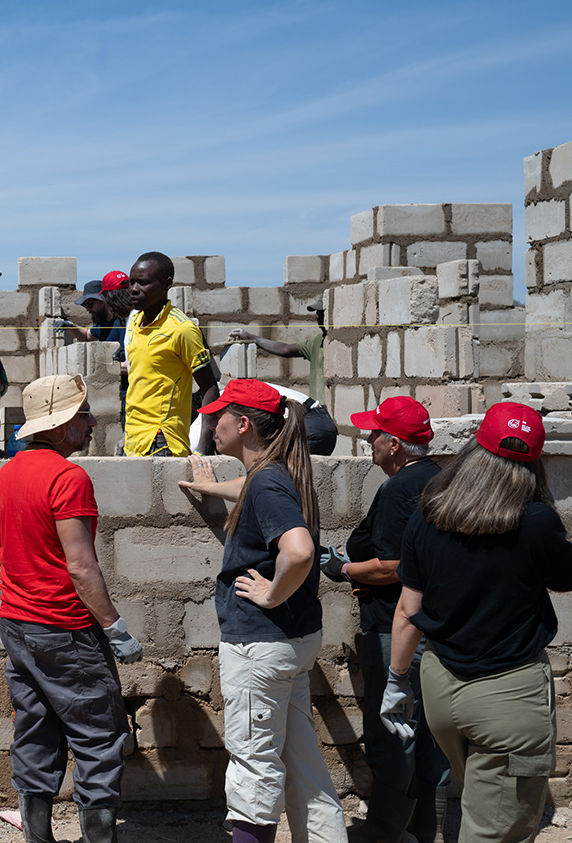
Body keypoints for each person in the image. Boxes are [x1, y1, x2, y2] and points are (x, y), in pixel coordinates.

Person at [385, 402, 572, 843]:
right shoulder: (538, 521)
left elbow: (408, 610)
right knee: (496, 830)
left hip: (441, 689)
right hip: (507, 696)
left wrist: (396, 679)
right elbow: (564, 577)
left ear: (474, 450)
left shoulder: (428, 513)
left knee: (482, 802)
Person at [179, 378, 347, 843]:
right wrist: (211, 487)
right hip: (291, 642)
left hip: (261, 645)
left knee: (254, 771)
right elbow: (253, 489)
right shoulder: (278, 472)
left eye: (219, 416)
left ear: (243, 425)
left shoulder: (269, 480)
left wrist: (272, 594)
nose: (211, 424)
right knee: (305, 769)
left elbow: (299, 550)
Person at [0, 374, 141, 843]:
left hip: (17, 624)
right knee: (98, 734)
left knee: (35, 727)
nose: (91, 423)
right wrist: (114, 627)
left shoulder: (4, 476)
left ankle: (37, 837)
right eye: (82, 415)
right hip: (65, 628)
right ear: (56, 425)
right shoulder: (67, 477)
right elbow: (80, 566)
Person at [321, 397, 447, 843]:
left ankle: (384, 832)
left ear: (394, 444)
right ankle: (426, 830)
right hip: (436, 628)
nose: (368, 439)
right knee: (428, 736)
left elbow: (395, 566)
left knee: (392, 733)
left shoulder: (398, 490)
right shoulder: (438, 478)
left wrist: (344, 569)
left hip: (395, 628)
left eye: (375, 433)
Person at [124, 252, 219, 455]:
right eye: (131, 282)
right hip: (133, 440)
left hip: (161, 441)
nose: (133, 289)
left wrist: (203, 447)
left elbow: (210, 387)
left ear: (167, 284)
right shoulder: (135, 323)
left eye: (143, 283)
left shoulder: (181, 329)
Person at [227, 296, 336, 454]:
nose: (318, 317)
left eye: (322, 313)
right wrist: (253, 338)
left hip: (328, 416)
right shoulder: (317, 342)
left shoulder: (338, 342)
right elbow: (285, 349)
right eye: (317, 313)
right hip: (316, 415)